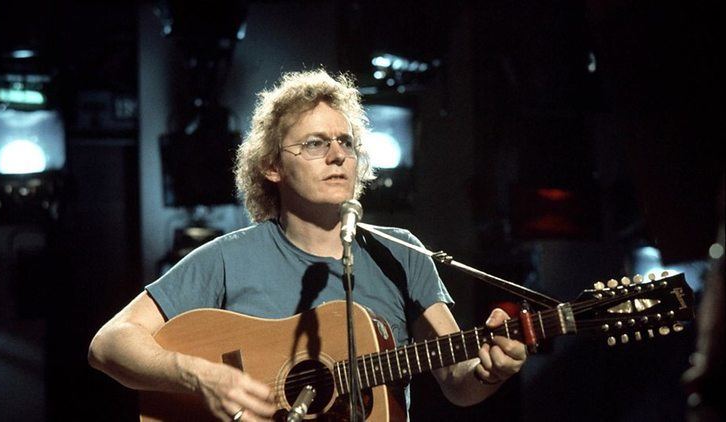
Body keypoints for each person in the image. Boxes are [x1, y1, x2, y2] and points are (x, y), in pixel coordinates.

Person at [88, 68, 527, 421]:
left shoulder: (403, 253)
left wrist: (489, 372)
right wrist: (201, 376)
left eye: (346, 142)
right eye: (316, 143)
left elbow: (457, 380)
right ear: (273, 166)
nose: (338, 155)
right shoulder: (227, 258)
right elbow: (109, 345)